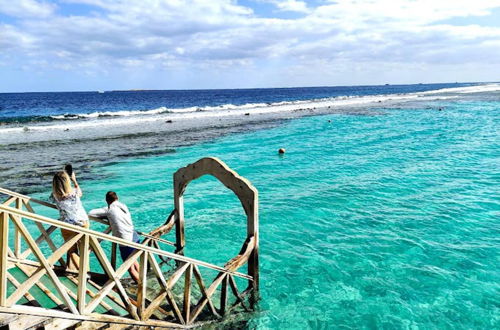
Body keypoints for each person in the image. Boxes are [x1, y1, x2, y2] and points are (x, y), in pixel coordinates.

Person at [89, 191, 140, 282]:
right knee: (133, 260)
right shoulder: (124, 206)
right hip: (135, 236)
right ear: (117, 198)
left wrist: (107, 215)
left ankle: (142, 286)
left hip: (126, 240)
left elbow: (91, 213)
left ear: (107, 201)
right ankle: (144, 280)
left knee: (129, 268)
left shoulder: (109, 210)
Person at [51, 170, 89, 270]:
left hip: (66, 225)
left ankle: (76, 271)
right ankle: (84, 273)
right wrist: (74, 180)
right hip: (82, 223)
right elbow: (80, 191)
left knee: (71, 250)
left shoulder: (55, 195)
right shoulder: (74, 192)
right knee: (84, 250)